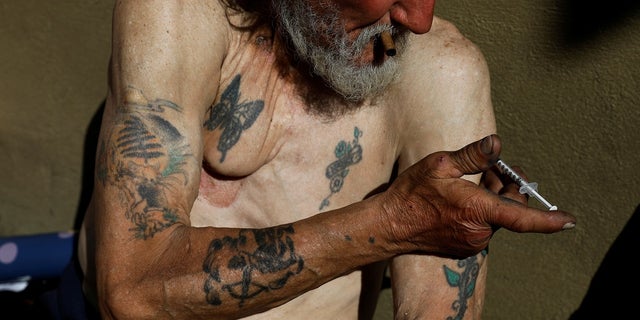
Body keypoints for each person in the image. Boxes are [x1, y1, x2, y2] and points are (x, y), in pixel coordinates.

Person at [74, 0, 577, 319]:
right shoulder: (182, 10)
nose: (418, 19)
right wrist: (393, 222)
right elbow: (132, 294)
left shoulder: (442, 69)